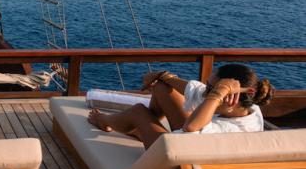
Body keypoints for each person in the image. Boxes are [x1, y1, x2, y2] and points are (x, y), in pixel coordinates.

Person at [88, 64, 274, 149]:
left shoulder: (226, 130)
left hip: (178, 157)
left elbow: (190, 128)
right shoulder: (249, 109)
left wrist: (217, 94)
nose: (206, 91)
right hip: (190, 143)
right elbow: (196, 91)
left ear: (231, 100)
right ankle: (142, 131)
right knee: (162, 88)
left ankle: (103, 121)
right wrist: (162, 76)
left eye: (212, 89)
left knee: (138, 111)